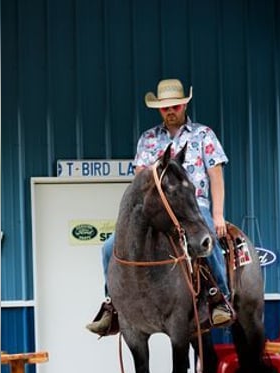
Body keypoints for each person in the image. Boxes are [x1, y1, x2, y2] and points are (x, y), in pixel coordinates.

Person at [86, 78, 233, 335]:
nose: (170, 111)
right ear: (159, 109)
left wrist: (218, 214)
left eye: (175, 106)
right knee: (109, 247)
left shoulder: (203, 135)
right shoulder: (149, 139)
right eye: (165, 107)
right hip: (157, 210)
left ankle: (218, 297)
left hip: (193, 208)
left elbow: (216, 176)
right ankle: (112, 304)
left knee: (207, 240)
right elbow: (141, 180)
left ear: (184, 105)